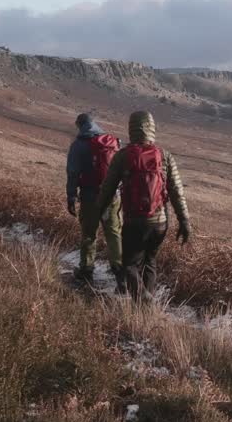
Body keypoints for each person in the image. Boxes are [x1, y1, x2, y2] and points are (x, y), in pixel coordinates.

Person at [95, 110, 191, 300]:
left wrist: (98, 211)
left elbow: (107, 188)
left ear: (131, 129)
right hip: (160, 223)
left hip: (134, 222)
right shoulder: (165, 156)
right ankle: (145, 308)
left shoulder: (123, 156)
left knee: (129, 264)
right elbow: (177, 191)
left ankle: (143, 300)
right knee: (150, 261)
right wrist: (184, 221)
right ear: (152, 128)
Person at [65, 113, 123, 290]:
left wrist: (71, 196)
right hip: (112, 196)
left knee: (89, 234)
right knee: (113, 233)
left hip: (90, 197)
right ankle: (120, 272)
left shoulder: (78, 145)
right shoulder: (110, 142)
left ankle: (87, 270)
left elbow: (73, 173)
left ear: (79, 125)